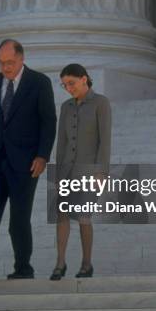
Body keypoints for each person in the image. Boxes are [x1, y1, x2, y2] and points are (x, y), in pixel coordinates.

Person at [0, 39, 57, 281]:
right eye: (1, 63)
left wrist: (43, 156)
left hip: (26, 163)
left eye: (10, 63)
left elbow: (49, 122)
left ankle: (23, 268)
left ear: (21, 59)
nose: (5, 68)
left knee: (19, 218)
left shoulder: (39, 83)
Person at [50, 63, 111, 280]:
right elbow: (62, 142)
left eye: (71, 83)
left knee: (84, 217)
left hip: (89, 171)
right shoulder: (66, 106)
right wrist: (57, 176)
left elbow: (105, 140)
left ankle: (86, 264)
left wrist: (102, 172)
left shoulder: (101, 103)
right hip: (67, 170)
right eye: (65, 85)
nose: (68, 88)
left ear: (84, 79)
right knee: (62, 215)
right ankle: (60, 262)